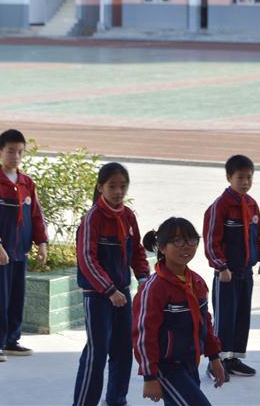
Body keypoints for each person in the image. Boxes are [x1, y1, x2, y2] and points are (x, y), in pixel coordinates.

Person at [73, 163, 150, 406]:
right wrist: (109, 290)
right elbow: (87, 258)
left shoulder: (127, 216)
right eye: (112, 186)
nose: (118, 191)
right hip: (97, 296)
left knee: (123, 350)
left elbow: (137, 250)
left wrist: (143, 278)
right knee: (97, 353)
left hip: (122, 295)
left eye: (123, 186)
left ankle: (117, 399)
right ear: (100, 187)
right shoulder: (92, 218)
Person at [133, 217, 226, 406]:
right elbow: (143, 334)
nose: (186, 246)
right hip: (165, 368)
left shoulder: (197, 282)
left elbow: (205, 322)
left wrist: (214, 357)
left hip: (190, 363)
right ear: (161, 247)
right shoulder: (154, 288)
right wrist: (149, 376)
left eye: (191, 240)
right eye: (177, 241)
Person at [0, 129, 48, 362]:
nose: (15, 156)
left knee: (17, 297)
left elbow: (36, 215)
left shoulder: (28, 183)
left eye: (20, 152)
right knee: (0, 298)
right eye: (10, 151)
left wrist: (42, 243)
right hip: (1, 255)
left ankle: (11, 341)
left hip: (21, 253)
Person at [202, 154, 260, 380]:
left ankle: (232, 359)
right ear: (229, 177)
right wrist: (221, 267)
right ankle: (216, 362)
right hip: (226, 276)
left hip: (245, 274)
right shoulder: (219, 206)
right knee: (224, 318)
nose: (245, 182)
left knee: (242, 317)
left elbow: (258, 235)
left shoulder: (251, 204)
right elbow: (212, 240)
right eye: (240, 177)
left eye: (249, 177)